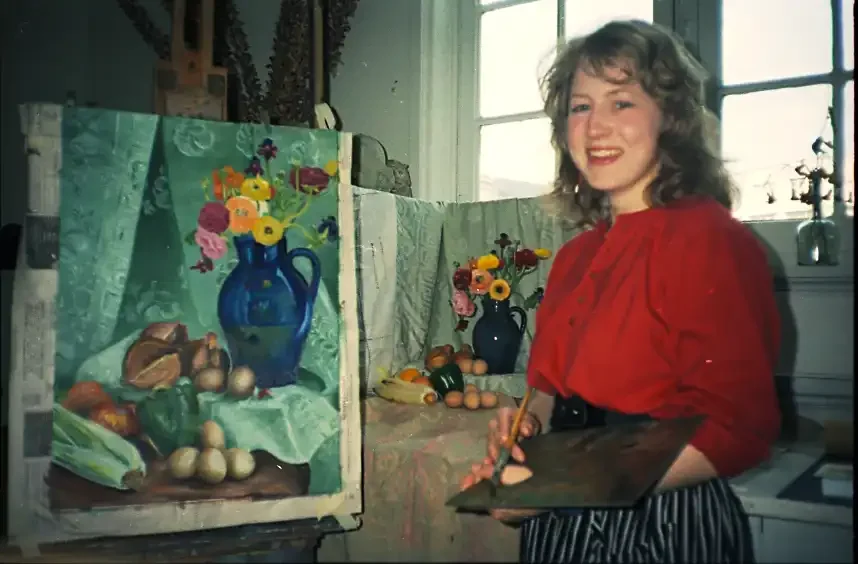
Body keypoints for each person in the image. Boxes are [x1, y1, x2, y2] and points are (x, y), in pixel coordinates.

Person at [459, 19, 781, 563]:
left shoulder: (713, 241)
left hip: (662, 526)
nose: (596, 126)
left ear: (670, 119)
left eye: (621, 103)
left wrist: (555, 484)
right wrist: (520, 442)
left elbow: (738, 428)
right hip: (562, 527)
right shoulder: (574, 259)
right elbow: (547, 394)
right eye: (580, 107)